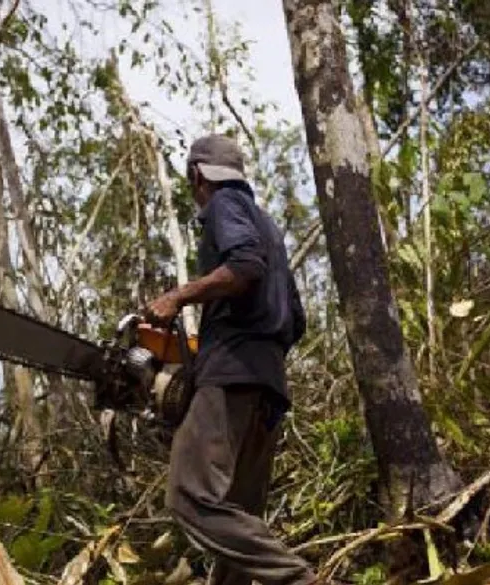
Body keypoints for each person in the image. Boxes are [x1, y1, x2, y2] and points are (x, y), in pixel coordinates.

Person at [144, 134, 330, 585]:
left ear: (196, 176)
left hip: (232, 377)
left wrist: (177, 297)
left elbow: (245, 266)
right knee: (238, 521)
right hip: (268, 388)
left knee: (190, 497)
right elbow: (296, 319)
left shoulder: (224, 205)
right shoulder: (268, 226)